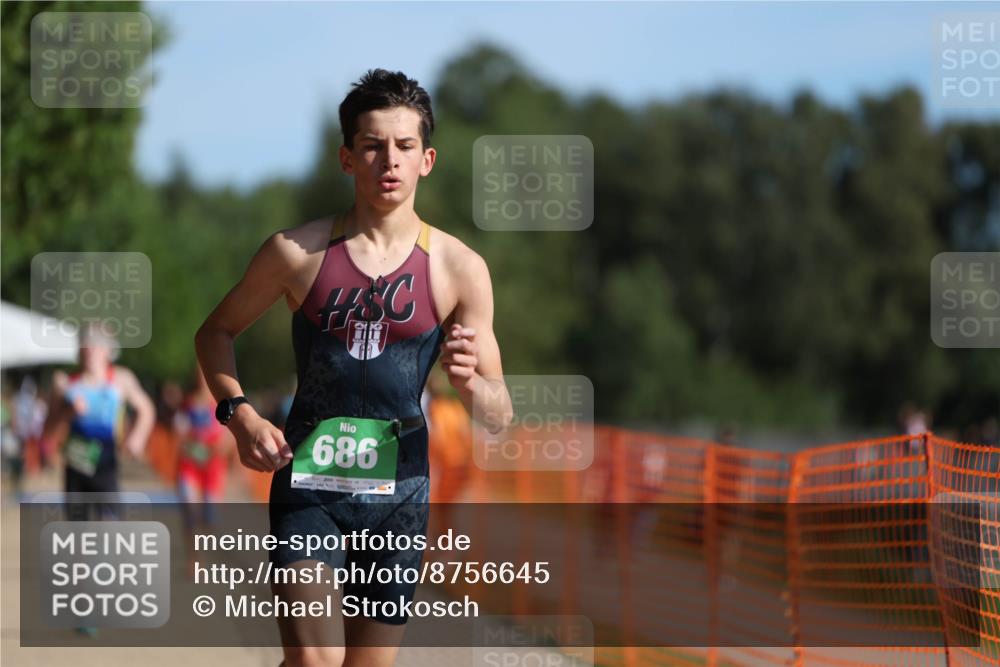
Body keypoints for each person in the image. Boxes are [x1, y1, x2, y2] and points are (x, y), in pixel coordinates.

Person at [195, 68, 512, 667]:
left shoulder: (459, 268)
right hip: (309, 488)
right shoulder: (296, 252)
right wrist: (239, 416)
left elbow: (499, 415)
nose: (387, 161)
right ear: (347, 158)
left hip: (400, 498)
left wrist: (474, 386)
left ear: (427, 159)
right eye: (371, 146)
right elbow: (215, 331)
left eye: (404, 146)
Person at [41, 323, 156, 521]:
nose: (91, 350)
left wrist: (137, 438)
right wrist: (67, 413)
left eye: (97, 344)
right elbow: (47, 432)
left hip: (106, 466)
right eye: (86, 343)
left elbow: (146, 410)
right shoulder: (65, 384)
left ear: (109, 349)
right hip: (76, 467)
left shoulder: (120, 379)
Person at [175, 364, 235, 573]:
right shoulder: (188, 404)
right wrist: (189, 445)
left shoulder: (223, 404)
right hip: (190, 465)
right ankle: (193, 558)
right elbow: (179, 433)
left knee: (208, 518)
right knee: (189, 510)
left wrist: (219, 448)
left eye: (206, 374)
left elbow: (230, 438)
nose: (203, 379)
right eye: (199, 375)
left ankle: (209, 551)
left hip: (213, 467)